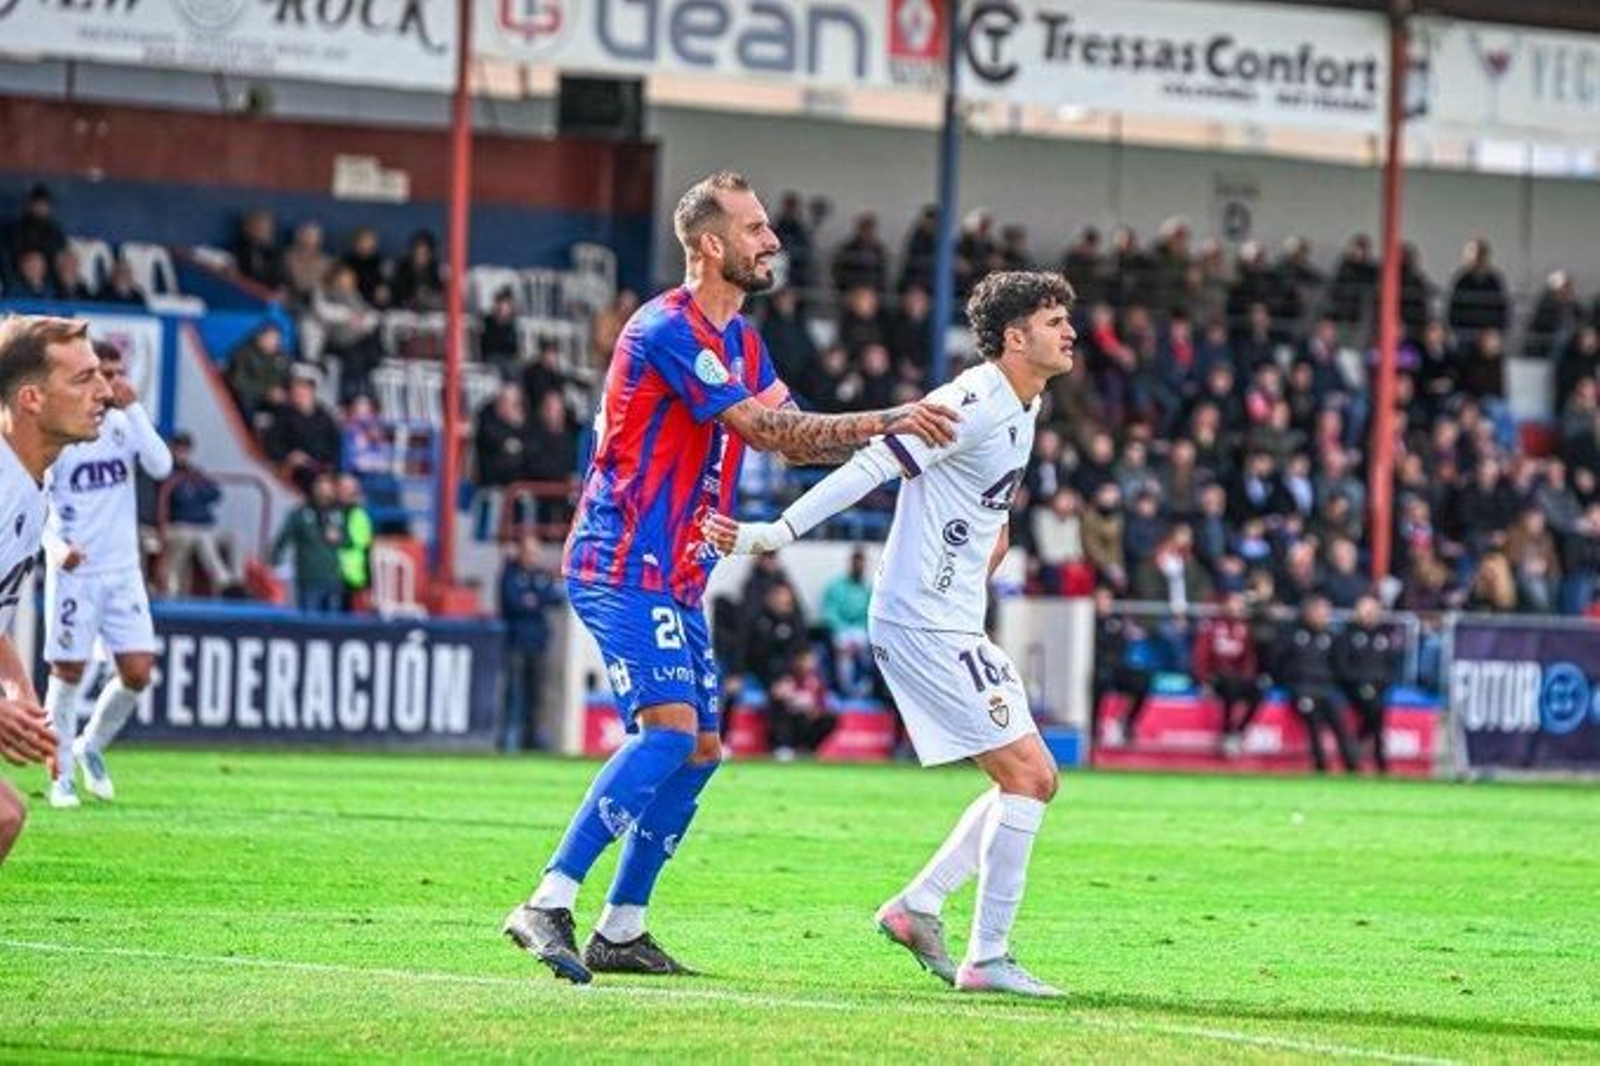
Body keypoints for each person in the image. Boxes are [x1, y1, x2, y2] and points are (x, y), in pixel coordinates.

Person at [502, 171, 958, 985]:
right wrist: (891, 418)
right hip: (621, 560)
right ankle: (548, 898)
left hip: (676, 574)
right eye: (755, 229)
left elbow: (796, 437)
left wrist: (901, 447)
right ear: (710, 246)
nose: (772, 240)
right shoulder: (666, 329)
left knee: (702, 749)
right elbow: (764, 428)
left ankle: (622, 927)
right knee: (669, 733)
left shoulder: (741, 341)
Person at [707, 270, 1077, 997]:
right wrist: (774, 532)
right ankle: (985, 959)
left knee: (1035, 780)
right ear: (1014, 337)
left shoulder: (1026, 403)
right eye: (1054, 320)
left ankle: (920, 908)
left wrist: (987, 546)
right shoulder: (970, 401)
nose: (1070, 331)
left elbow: (986, 501)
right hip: (921, 619)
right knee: (1029, 777)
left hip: (951, 617)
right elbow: (872, 466)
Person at [0, 315, 113, 864]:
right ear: (31, 399)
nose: (106, 392)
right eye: (84, 378)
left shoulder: (27, 485)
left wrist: (19, 690)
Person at [40, 340, 173, 808]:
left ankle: (90, 746)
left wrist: (134, 409)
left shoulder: (121, 425)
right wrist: (56, 549)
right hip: (76, 574)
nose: (113, 383)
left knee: (138, 672)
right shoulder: (60, 435)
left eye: (118, 374)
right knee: (68, 671)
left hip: (123, 572)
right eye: (104, 373)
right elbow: (35, 501)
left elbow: (161, 465)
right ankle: (60, 774)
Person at [1273, 596, 1359, 774]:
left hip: (1325, 689)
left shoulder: (1331, 637)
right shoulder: (1292, 634)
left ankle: (1352, 766)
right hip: (1301, 689)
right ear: (1308, 612)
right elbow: (1278, 662)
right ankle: (1321, 766)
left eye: (1326, 612)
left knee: (1340, 723)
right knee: (1313, 719)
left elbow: (1339, 666)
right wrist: (1290, 683)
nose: (1323, 616)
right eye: (1320, 612)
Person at [498, 534, 564, 752]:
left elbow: (554, 598)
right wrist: (536, 599)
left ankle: (531, 739)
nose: (531, 556)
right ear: (520, 552)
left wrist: (533, 599)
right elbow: (514, 602)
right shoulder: (510, 574)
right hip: (516, 642)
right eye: (528, 552)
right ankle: (507, 740)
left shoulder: (540, 575)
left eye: (535, 553)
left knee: (536, 695)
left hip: (538, 643)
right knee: (513, 693)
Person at [161, 431, 240, 596]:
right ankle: (224, 583)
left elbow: (215, 493)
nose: (182, 452)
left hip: (205, 525)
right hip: (181, 525)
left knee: (234, 538)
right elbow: (180, 499)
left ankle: (238, 582)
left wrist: (195, 492)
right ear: (172, 449)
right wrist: (197, 492)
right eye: (179, 448)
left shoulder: (195, 471)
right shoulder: (166, 471)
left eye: (186, 449)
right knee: (201, 538)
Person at [1334, 594, 1399, 773]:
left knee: (1375, 706)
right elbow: (1342, 667)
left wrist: (1381, 684)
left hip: (1378, 688)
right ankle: (1379, 759)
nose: (1370, 614)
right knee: (1375, 709)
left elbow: (1392, 666)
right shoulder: (1346, 636)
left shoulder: (1384, 637)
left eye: (1373, 610)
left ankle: (1358, 746)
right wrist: (1361, 684)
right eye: (1366, 610)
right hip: (1353, 687)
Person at [272, 471, 347, 613]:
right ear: (313, 489)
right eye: (320, 487)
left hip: (333, 578)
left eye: (327, 487)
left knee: (334, 622)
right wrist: (276, 564)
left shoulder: (339, 514)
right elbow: (283, 539)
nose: (323, 491)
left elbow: (349, 541)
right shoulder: (300, 514)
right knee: (309, 620)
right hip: (309, 578)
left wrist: (340, 538)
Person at [820, 548, 872, 696]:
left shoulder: (868, 589)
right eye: (856, 563)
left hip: (861, 631)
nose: (859, 566)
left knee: (869, 650)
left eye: (861, 563)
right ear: (851, 564)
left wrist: (859, 635)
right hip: (840, 630)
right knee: (843, 650)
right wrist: (844, 631)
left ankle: (866, 687)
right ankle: (846, 689)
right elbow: (829, 613)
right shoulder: (835, 586)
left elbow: (869, 616)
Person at [766, 647, 835, 760]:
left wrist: (815, 710)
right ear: (799, 661)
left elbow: (822, 703)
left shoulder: (816, 680)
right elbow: (777, 693)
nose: (811, 663)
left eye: (812, 660)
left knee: (829, 719)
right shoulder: (788, 676)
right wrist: (790, 698)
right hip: (792, 715)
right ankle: (784, 747)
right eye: (807, 660)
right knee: (782, 711)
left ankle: (808, 749)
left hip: (808, 716)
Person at [335, 474, 373, 609]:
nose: (343, 491)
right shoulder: (332, 511)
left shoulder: (359, 515)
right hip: (332, 574)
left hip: (352, 576)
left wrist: (368, 583)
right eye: (341, 487)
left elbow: (361, 544)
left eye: (348, 488)